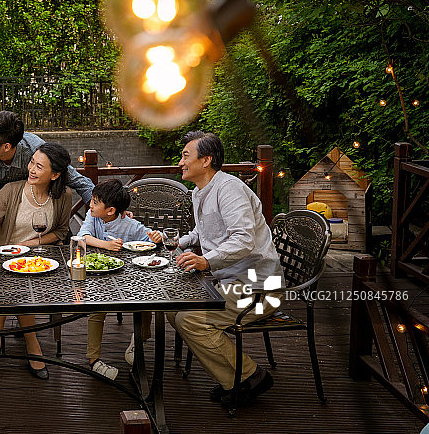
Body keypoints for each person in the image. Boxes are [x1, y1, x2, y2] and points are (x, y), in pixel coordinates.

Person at [165, 131, 283, 407]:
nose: (180, 162)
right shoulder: (200, 191)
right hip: (227, 281)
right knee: (172, 308)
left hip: (259, 287)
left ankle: (251, 375)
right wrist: (176, 241)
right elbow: (203, 231)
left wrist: (206, 261)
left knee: (188, 319)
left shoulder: (229, 189)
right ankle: (233, 380)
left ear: (206, 160)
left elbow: (243, 238)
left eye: (185, 156)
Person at [0, 110, 94, 329]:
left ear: (7, 146)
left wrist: (112, 209)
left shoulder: (34, 150)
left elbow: (79, 182)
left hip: (32, 193)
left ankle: (24, 309)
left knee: (55, 246)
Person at [0, 142, 73, 380]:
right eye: (31, 163)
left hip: (41, 261)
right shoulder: (11, 190)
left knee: (23, 284)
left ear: (55, 174)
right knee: (17, 286)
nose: (32, 169)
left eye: (39, 166)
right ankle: (33, 345)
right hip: (2, 257)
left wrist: (31, 245)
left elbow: (61, 231)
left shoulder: (64, 195)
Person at [76, 179, 162, 380]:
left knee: (146, 300)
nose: (90, 205)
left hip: (130, 277)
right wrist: (106, 245)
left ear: (111, 210)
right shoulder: (93, 216)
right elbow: (81, 237)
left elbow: (149, 241)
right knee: (96, 309)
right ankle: (93, 359)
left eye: (95, 202)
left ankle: (139, 339)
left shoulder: (130, 225)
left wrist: (157, 238)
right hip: (101, 276)